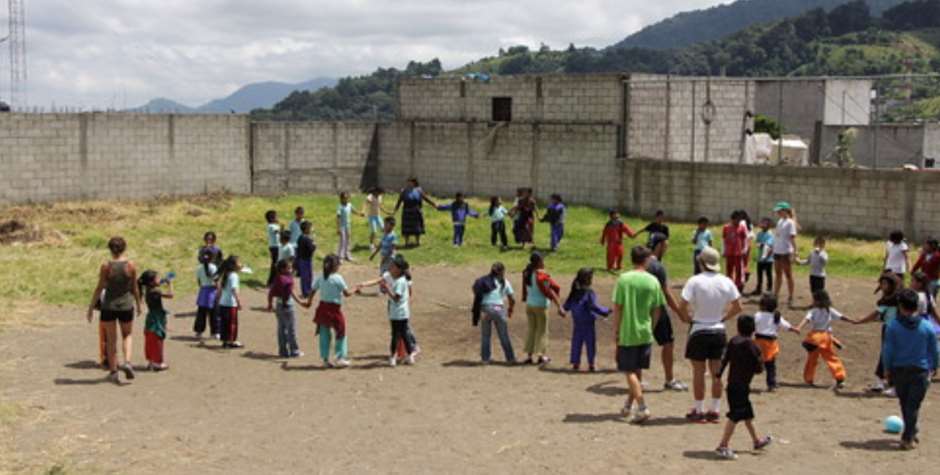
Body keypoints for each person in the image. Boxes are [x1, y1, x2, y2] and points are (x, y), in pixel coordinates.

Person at [678, 247, 743, 423]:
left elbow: (682, 305)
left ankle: (698, 409)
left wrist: (687, 318)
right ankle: (714, 409)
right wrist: (723, 318)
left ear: (701, 263)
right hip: (718, 330)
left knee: (698, 372)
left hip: (699, 328)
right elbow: (738, 307)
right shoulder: (727, 281)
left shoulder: (695, 281)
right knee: (717, 373)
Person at [612, 246, 665, 423]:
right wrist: (652, 325)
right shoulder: (653, 281)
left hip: (629, 331)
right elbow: (657, 309)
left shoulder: (624, 279)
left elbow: (618, 307)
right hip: (645, 331)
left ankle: (642, 406)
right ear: (647, 260)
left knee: (628, 370)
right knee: (637, 370)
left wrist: (617, 331)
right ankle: (628, 405)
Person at [882, 289, 938, 450]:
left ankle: (908, 437)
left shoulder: (893, 326)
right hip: (920, 371)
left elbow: (888, 350)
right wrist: (934, 365)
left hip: (900, 370)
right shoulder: (927, 327)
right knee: (912, 405)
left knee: (905, 403)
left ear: (900, 306)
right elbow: (934, 349)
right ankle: (911, 431)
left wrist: (887, 368)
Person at [714, 315, 774, 460]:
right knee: (735, 416)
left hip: (733, 385)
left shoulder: (733, 341)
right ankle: (723, 445)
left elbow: (724, 359)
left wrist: (718, 375)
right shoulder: (753, 346)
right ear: (753, 329)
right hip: (742, 386)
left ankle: (756, 441)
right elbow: (759, 369)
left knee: (747, 416)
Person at [86, 236, 141, 384]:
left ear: (110, 249)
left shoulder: (106, 266)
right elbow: (134, 287)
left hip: (109, 306)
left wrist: (91, 307)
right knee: (127, 335)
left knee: (111, 340)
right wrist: (139, 304)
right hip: (126, 305)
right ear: (125, 248)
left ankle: (113, 371)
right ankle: (128, 362)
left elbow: (100, 287)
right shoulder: (131, 265)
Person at [646, 232, 689, 391]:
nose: (666, 248)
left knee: (642, 341)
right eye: (665, 245)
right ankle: (669, 379)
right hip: (657, 307)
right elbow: (667, 292)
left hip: (642, 308)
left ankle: (638, 378)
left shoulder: (642, 263)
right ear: (659, 245)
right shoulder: (657, 266)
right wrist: (680, 312)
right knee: (668, 343)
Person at [851, 272, 902, 395]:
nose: (883, 286)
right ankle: (888, 382)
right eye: (882, 283)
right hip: (899, 329)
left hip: (890, 330)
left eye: (885, 284)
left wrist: (860, 321)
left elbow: (876, 314)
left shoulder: (887, 300)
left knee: (886, 355)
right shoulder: (899, 298)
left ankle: (882, 382)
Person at [307, 255, 357, 368]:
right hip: (334, 310)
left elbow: (312, 290)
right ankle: (340, 357)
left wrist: (309, 302)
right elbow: (347, 293)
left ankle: (325, 359)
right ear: (334, 266)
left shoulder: (321, 277)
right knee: (341, 331)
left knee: (324, 334)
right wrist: (356, 289)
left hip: (322, 308)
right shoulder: (338, 278)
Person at [794, 290, 848, 388]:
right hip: (826, 337)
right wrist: (853, 321)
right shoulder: (829, 310)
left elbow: (806, 320)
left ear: (818, 301)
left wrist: (798, 327)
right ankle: (840, 377)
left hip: (815, 337)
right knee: (831, 357)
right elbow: (842, 317)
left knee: (812, 359)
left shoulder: (813, 311)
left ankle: (809, 379)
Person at [563, 268, 611, 371]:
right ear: (588, 279)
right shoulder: (589, 292)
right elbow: (594, 306)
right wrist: (606, 311)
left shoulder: (574, 292)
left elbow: (566, 305)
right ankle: (591, 364)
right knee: (590, 343)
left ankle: (576, 363)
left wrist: (563, 310)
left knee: (576, 342)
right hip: (588, 322)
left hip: (577, 321)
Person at [522, 252, 565, 365]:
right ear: (539, 262)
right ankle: (541, 356)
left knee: (532, 330)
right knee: (542, 331)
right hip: (540, 306)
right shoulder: (542, 275)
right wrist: (559, 306)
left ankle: (529, 356)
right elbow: (550, 291)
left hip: (530, 305)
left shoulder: (526, 272)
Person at [472, 262, 516, 364]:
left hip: (485, 309)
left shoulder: (483, 281)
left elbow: (475, 290)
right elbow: (512, 299)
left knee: (485, 336)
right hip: (499, 309)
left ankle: (485, 359)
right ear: (502, 271)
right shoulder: (505, 282)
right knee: (504, 335)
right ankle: (510, 358)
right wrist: (510, 309)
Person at [753, 293, 799, 391]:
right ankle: (771, 384)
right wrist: (793, 329)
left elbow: (752, 325)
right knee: (771, 365)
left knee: (753, 363)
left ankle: (745, 381)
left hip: (758, 342)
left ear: (762, 305)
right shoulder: (776, 316)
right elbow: (785, 325)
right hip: (770, 344)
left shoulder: (758, 315)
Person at [267, 259, 305, 359]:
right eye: (289, 268)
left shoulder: (277, 279)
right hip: (288, 306)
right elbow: (290, 293)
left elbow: (271, 292)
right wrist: (299, 302)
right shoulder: (288, 280)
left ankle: (283, 351)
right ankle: (294, 350)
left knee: (281, 329)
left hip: (279, 306)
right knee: (291, 329)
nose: (291, 269)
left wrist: (270, 304)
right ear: (283, 269)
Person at [382, 255, 416, 366]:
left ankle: (393, 357)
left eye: (393, 267)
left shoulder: (400, 282)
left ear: (398, 269)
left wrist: (387, 289)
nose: (390, 269)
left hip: (397, 314)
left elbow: (396, 298)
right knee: (404, 334)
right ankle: (409, 356)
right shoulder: (401, 280)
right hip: (402, 313)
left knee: (396, 335)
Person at [139, 270, 173, 371]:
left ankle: (151, 361)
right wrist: (170, 283)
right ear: (151, 282)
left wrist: (162, 281)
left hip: (151, 317)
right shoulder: (155, 291)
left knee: (150, 339)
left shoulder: (149, 289)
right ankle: (158, 362)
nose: (159, 279)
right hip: (157, 317)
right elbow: (171, 295)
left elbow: (157, 284)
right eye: (157, 278)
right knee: (157, 338)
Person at [394, 178, 437, 248]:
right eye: (408, 182)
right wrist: (395, 209)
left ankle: (417, 242)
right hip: (407, 211)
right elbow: (399, 201)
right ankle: (406, 242)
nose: (408, 184)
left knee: (417, 227)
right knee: (406, 228)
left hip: (416, 211)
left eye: (410, 182)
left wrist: (433, 204)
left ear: (414, 183)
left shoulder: (419, 190)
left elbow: (426, 198)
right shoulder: (404, 191)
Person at [772, 202, 799, 306]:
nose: (778, 213)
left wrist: (795, 252)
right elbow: (777, 236)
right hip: (777, 251)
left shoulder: (790, 222)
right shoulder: (780, 221)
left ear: (785, 211)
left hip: (785, 252)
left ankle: (791, 296)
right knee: (778, 274)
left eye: (779, 211)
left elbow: (792, 238)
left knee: (788, 275)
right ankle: (775, 295)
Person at [216, 255, 243, 349]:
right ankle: (231, 341)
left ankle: (225, 340)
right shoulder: (234, 276)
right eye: (239, 262)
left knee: (224, 323)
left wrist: (218, 300)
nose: (241, 264)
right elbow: (234, 290)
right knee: (232, 323)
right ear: (233, 265)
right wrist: (238, 301)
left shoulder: (224, 274)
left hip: (223, 303)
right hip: (231, 303)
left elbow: (219, 289)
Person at [193, 248, 220, 340]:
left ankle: (199, 331)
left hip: (203, 291)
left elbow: (199, 281)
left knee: (201, 312)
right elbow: (216, 281)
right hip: (212, 291)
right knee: (214, 313)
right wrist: (219, 292)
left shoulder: (199, 268)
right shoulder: (213, 267)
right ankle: (215, 332)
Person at [722, 211, 748, 291]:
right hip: (729, 252)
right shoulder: (726, 227)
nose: (738, 221)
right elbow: (724, 239)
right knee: (729, 269)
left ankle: (738, 285)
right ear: (732, 219)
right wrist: (723, 250)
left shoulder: (742, 227)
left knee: (738, 269)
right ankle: (729, 284)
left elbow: (744, 239)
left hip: (738, 252)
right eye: (736, 220)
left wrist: (744, 249)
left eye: (739, 220)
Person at [337, 191, 364, 262]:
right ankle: (340, 256)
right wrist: (338, 228)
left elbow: (353, 210)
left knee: (348, 240)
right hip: (342, 226)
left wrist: (360, 214)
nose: (346, 199)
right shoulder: (340, 207)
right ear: (341, 199)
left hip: (348, 226)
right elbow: (338, 218)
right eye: (344, 198)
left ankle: (347, 255)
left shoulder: (349, 205)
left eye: (347, 198)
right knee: (342, 241)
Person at [751, 218, 774, 295]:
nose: (763, 225)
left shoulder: (770, 234)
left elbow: (768, 245)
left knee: (768, 274)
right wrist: (761, 245)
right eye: (762, 223)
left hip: (768, 259)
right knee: (759, 274)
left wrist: (761, 245)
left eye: (765, 223)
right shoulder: (759, 233)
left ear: (769, 225)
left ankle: (769, 289)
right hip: (760, 258)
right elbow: (758, 243)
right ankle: (758, 289)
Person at [364, 187, 389, 252]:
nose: (379, 194)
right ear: (376, 192)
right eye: (379, 193)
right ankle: (371, 245)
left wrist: (386, 211)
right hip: (371, 217)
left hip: (378, 216)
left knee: (384, 229)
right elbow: (366, 204)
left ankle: (384, 243)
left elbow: (380, 206)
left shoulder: (380, 197)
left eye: (380, 194)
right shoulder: (370, 196)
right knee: (374, 231)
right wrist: (363, 211)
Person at [296, 221, 316, 298]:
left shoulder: (300, 237)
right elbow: (311, 249)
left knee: (305, 277)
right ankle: (306, 292)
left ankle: (306, 291)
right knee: (307, 276)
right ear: (307, 229)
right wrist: (314, 244)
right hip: (306, 260)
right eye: (311, 228)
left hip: (302, 259)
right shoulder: (307, 239)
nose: (312, 229)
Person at [265, 210, 280, 287]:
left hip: (277, 246)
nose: (278, 218)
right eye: (276, 216)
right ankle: (271, 282)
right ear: (271, 218)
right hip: (274, 247)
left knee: (276, 263)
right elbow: (277, 232)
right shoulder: (271, 226)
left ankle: (274, 281)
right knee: (275, 264)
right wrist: (282, 229)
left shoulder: (275, 225)